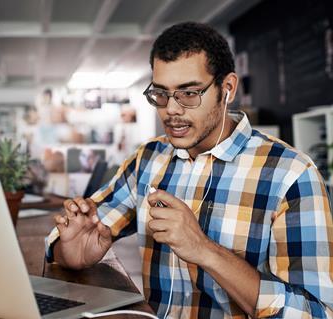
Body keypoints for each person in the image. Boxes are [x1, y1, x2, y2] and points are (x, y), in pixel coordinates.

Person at [45, 22, 333, 318]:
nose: (171, 109)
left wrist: (204, 249)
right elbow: (74, 237)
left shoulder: (292, 175)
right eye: (161, 94)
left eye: (189, 93)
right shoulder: (148, 159)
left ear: (228, 88)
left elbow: (314, 312)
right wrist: (70, 253)